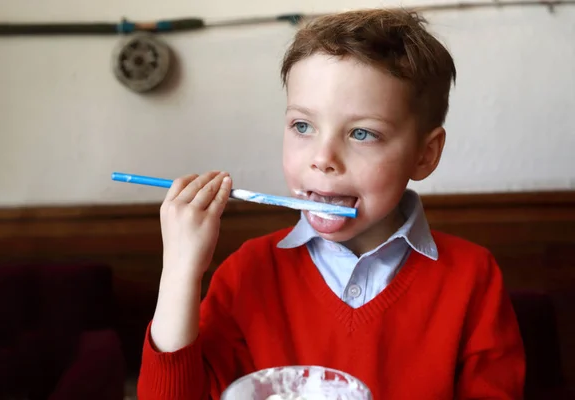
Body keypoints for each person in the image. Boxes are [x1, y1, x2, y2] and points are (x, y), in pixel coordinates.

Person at [137, 8, 525, 400]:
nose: (322, 158)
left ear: (424, 154)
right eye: (302, 126)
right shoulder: (246, 274)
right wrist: (180, 271)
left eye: (361, 133)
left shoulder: (473, 278)